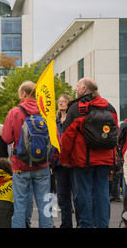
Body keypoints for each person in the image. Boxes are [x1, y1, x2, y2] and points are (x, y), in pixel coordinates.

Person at [59, 78, 118, 228]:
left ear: (84, 89)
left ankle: (86, 224)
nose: (75, 88)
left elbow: (67, 137)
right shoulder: (110, 108)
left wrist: (64, 158)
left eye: (78, 85)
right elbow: (114, 134)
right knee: (103, 194)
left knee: (83, 194)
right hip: (105, 159)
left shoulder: (76, 108)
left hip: (83, 160)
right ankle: (103, 225)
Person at [2, 81, 53, 228]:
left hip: (20, 165)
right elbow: (55, 139)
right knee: (45, 203)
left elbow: (6, 138)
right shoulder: (45, 111)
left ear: (24, 94)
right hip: (42, 165)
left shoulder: (14, 112)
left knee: (20, 203)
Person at [53, 94, 76, 228]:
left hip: (73, 161)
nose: (60, 103)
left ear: (69, 103)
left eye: (64, 101)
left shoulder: (73, 119)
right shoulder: (55, 121)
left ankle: (80, 223)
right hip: (59, 163)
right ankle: (66, 224)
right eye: (59, 101)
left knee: (77, 195)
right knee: (63, 196)